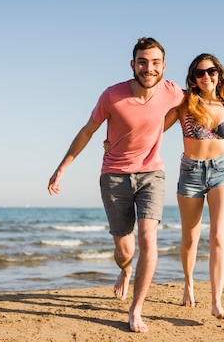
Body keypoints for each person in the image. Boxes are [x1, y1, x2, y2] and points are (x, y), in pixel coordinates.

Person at [47, 37, 185, 333]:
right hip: (114, 176)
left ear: (163, 66)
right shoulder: (112, 95)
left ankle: (136, 309)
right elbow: (87, 130)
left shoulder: (172, 91)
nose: (149, 68)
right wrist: (62, 169)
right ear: (133, 64)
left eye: (155, 63)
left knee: (149, 238)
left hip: (152, 173)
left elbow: (201, 99)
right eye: (143, 62)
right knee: (125, 250)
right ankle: (124, 270)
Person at [172, 53, 224, 319]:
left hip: (222, 172)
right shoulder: (185, 103)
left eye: (211, 71)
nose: (206, 77)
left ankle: (216, 301)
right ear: (193, 78)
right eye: (199, 73)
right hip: (190, 171)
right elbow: (155, 125)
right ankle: (188, 284)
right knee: (190, 238)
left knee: (217, 236)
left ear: (219, 73)